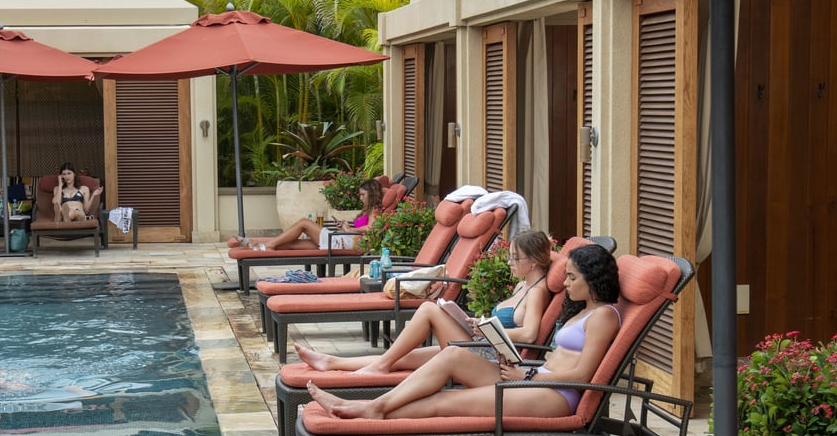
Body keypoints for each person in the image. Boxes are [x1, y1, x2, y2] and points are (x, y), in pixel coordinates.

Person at [307, 244, 621, 420]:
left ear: (593, 279)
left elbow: (582, 375)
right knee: (453, 354)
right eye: (565, 276)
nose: (565, 285)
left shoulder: (604, 316)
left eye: (572, 278)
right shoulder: (582, 310)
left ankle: (372, 408)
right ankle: (374, 404)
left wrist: (528, 377)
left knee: (443, 402)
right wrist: (523, 369)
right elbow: (558, 359)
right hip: (534, 378)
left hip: (556, 395)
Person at [294, 229, 553, 375]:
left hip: (494, 358)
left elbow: (529, 335)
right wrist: (480, 324)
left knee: (429, 309)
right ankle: (331, 363)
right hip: (484, 344)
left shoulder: (537, 291)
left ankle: (380, 366)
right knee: (407, 357)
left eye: (514, 258)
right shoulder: (523, 285)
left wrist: (489, 328)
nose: (509, 263)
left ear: (532, 260)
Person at [229, 178, 383, 250]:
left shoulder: (375, 210)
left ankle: (265, 244)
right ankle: (257, 246)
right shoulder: (368, 210)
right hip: (342, 239)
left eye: (363, 195)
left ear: (372, 194)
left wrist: (350, 230)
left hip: (344, 243)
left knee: (304, 223)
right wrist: (345, 226)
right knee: (290, 244)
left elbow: (372, 229)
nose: (361, 198)